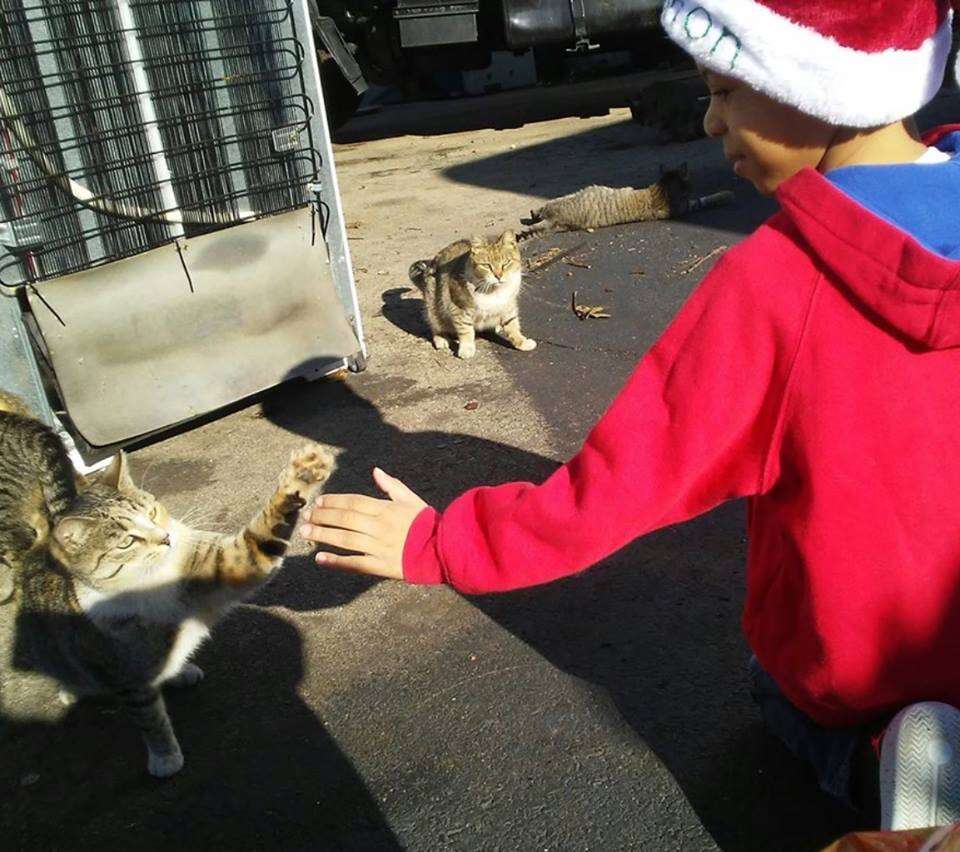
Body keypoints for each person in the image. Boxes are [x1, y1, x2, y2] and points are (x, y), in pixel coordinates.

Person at [300, 0, 960, 830]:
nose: (711, 122)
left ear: (812, 85)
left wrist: (440, 543)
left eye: (724, 89)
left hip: (864, 674)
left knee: (784, 690)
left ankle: (878, 769)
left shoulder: (778, 286)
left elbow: (614, 485)